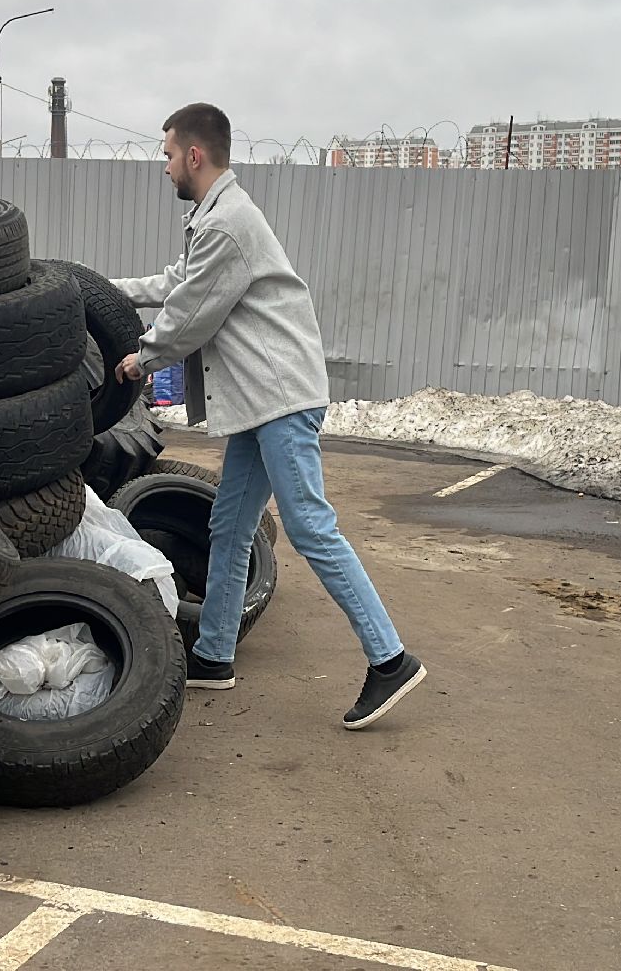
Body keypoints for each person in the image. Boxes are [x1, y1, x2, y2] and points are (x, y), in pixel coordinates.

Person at [110, 102, 425, 730]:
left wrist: (142, 359)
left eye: (168, 154)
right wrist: (102, 287)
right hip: (260, 403)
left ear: (194, 155)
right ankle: (214, 654)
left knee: (310, 526)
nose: (165, 166)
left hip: (281, 401)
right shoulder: (216, 218)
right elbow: (178, 281)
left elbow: (190, 314)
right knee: (229, 526)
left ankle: (389, 659)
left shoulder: (227, 225)